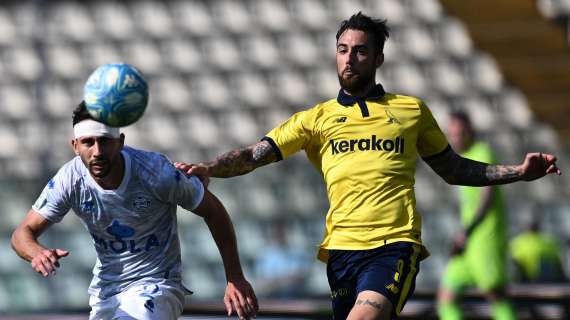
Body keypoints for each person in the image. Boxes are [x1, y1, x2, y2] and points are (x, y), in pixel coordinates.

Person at [175, 12, 561, 320]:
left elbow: (455, 170)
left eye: (359, 51)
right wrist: (210, 168)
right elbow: (255, 154)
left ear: (378, 58)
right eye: (342, 49)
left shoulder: (410, 110)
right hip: (341, 252)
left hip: (394, 246)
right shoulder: (316, 119)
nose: (349, 58)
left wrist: (519, 172)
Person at [11, 102, 258, 320]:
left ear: (120, 142)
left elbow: (213, 210)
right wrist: (37, 253)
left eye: (105, 141)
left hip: (158, 286)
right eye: (88, 142)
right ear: (75, 145)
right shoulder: (69, 179)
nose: (97, 151)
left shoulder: (157, 173)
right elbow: (23, 233)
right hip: (106, 292)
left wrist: (234, 277)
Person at [437, 111, 516, 320]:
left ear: (470, 132)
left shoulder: (482, 152)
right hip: (467, 243)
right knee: (446, 297)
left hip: (485, 238)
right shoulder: (458, 160)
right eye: (452, 134)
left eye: (460, 133)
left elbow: (487, 197)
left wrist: (467, 231)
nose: (456, 138)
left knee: (495, 296)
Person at [510, 218, 566, 283]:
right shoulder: (548, 241)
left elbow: (514, 259)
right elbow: (558, 260)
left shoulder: (517, 242)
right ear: (539, 228)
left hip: (526, 278)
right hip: (546, 277)